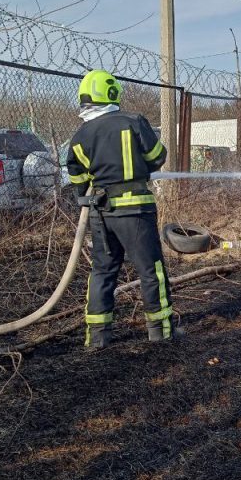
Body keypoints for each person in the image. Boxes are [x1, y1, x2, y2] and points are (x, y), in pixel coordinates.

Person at [65, 69, 179, 348]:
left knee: (102, 271)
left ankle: (97, 337)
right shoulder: (133, 122)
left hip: (100, 212)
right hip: (136, 210)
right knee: (151, 269)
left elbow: (78, 180)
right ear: (112, 93)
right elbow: (157, 157)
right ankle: (160, 332)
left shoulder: (79, 137)